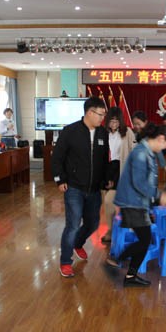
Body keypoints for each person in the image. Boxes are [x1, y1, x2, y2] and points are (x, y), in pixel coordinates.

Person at [51, 97, 112, 278]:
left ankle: (78, 243)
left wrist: (106, 179)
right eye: (100, 114)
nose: (103, 118)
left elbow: (104, 160)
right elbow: (57, 157)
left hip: (94, 189)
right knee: (73, 224)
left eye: (104, 115)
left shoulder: (102, 133)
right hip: (74, 187)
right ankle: (65, 262)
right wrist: (59, 179)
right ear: (89, 112)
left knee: (93, 223)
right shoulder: (70, 131)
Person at [108, 123, 166, 286]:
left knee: (145, 240)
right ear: (161, 138)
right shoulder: (141, 153)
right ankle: (115, 260)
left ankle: (129, 275)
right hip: (132, 203)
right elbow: (139, 183)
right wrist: (159, 195)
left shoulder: (147, 152)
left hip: (137, 202)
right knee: (144, 240)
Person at [101, 107, 137, 243]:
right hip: (107, 170)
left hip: (121, 169)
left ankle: (118, 230)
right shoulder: (103, 133)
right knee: (107, 204)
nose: (114, 124)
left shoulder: (127, 132)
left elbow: (134, 152)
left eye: (116, 121)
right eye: (111, 121)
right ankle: (111, 229)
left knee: (110, 200)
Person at [132, 111, 166, 176]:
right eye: (134, 124)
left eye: (138, 124)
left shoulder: (150, 136)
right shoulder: (135, 134)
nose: (136, 126)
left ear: (145, 122)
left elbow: (159, 152)